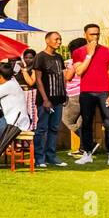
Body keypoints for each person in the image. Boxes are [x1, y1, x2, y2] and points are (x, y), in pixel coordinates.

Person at [74, 23, 109, 167]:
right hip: (86, 93)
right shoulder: (78, 52)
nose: (95, 37)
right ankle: (87, 154)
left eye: (97, 34)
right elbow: (79, 72)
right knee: (86, 123)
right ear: (85, 35)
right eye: (92, 34)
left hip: (104, 93)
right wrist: (89, 55)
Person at [34, 32, 72, 168]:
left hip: (58, 99)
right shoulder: (40, 57)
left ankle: (51, 156)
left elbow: (62, 76)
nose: (59, 42)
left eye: (60, 39)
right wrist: (45, 99)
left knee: (54, 128)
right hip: (45, 100)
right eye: (56, 39)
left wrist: (64, 93)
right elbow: (38, 79)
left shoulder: (59, 57)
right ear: (47, 40)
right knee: (42, 129)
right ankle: (39, 158)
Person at [63, 38, 86, 156]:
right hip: (85, 93)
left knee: (66, 120)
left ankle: (88, 143)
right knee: (80, 122)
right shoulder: (88, 60)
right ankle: (83, 148)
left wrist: (65, 70)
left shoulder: (74, 62)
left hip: (74, 94)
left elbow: (68, 77)